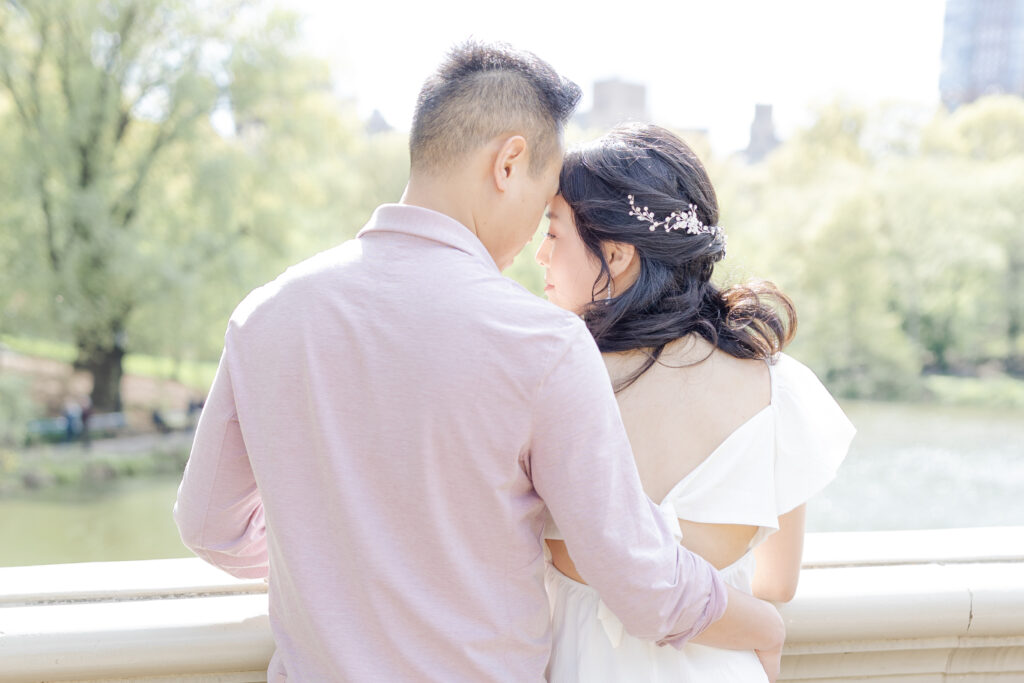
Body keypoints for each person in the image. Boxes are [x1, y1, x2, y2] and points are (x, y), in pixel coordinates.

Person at [173, 43, 784, 682]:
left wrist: (335, 556)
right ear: (509, 162)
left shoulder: (265, 316)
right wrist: (763, 626)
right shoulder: (541, 343)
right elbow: (640, 577)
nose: (533, 242)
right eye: (544, 203)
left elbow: (209, 526)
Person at [534, 122, 856, 681]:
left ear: (616, 254)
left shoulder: (550, 382)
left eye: (555, 232)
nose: (540, 254)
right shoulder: (778, 390)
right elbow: (777, 585)